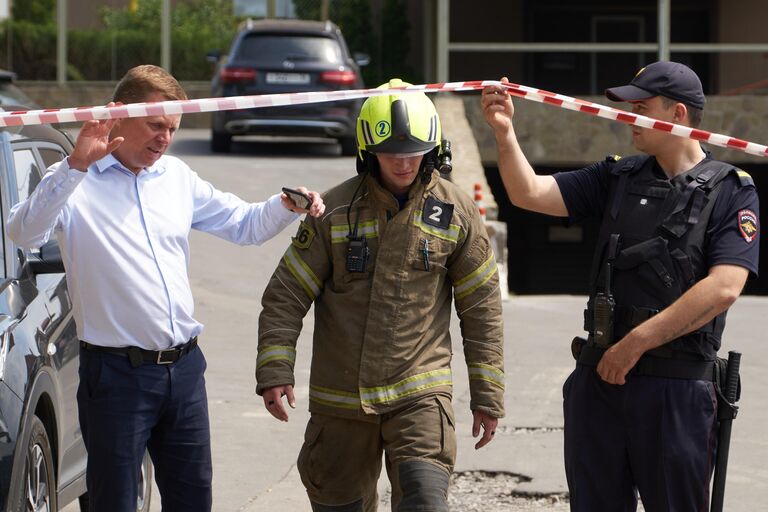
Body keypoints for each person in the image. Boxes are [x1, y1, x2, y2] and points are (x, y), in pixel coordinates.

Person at [7, 64, 325, 512]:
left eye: (172, 128)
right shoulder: (74, 181)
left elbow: (244, 225)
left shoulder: (176, 177)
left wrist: (287, 205)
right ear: (118, 115)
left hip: (185, 371)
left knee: (194, 502)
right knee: (114, 503)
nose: (165, 138)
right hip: (116, 378)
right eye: (155, 124)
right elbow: (23, 232)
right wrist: (77, 164)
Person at [482, 61, 759, 511]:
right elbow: (528, 193)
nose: (628, 114)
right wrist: (503, 131)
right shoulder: (617, 176)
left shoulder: (732, 190)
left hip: (676, 389)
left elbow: (725, 286)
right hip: (600, 382)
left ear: (677, 115)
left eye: (641, 106)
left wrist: (635, 345)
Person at [256, 79, 505, 512]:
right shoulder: (332, 213)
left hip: (420, 397)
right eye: (392, 152)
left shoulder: (458, 214)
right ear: (368, 150)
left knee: (426, 502)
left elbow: (482, 310)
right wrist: (275, 369)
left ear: (433, 149)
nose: (403, 162)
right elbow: (285, 295)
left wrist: (487, 396)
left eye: (414, 151)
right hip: (340, 404)